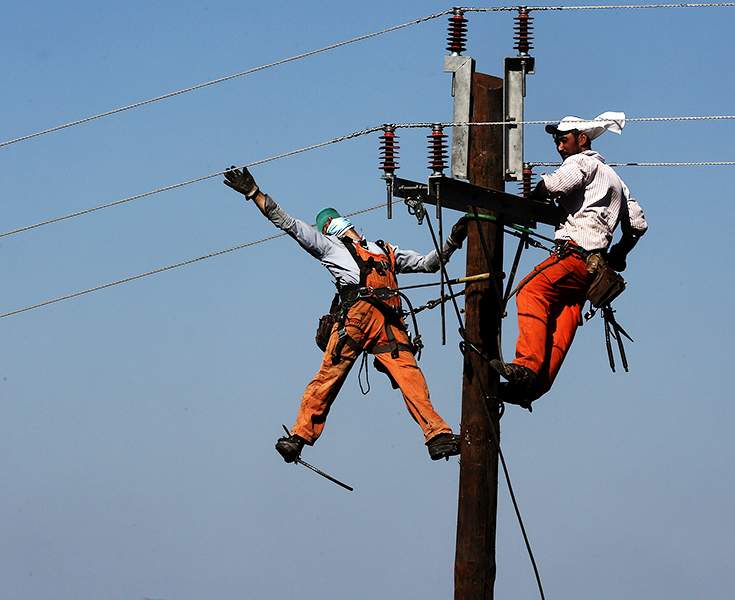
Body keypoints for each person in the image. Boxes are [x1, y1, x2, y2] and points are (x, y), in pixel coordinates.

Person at [222, 166, 470, 462]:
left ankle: (438, 436)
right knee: (331, 376)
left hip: (388, 324)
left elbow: (430, 264)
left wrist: (453, 242)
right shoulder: (331, 247)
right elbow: (289, 224)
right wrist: (254, 193)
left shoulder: (385, 251)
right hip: (357, 318)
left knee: (409, 378)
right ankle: (299, 437)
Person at [493, 112, 648, 406]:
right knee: (564, 318)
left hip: (573, 255)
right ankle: (535, 387)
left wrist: (531, 200)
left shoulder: (582, 162)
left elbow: (555, 185)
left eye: (563, 140)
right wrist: (619, 254)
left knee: (531, 291)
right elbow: (638, 225)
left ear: (582, 139)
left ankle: (526, 367)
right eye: (557, 142)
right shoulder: (616, 179)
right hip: (592, 271)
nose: (560, 147)